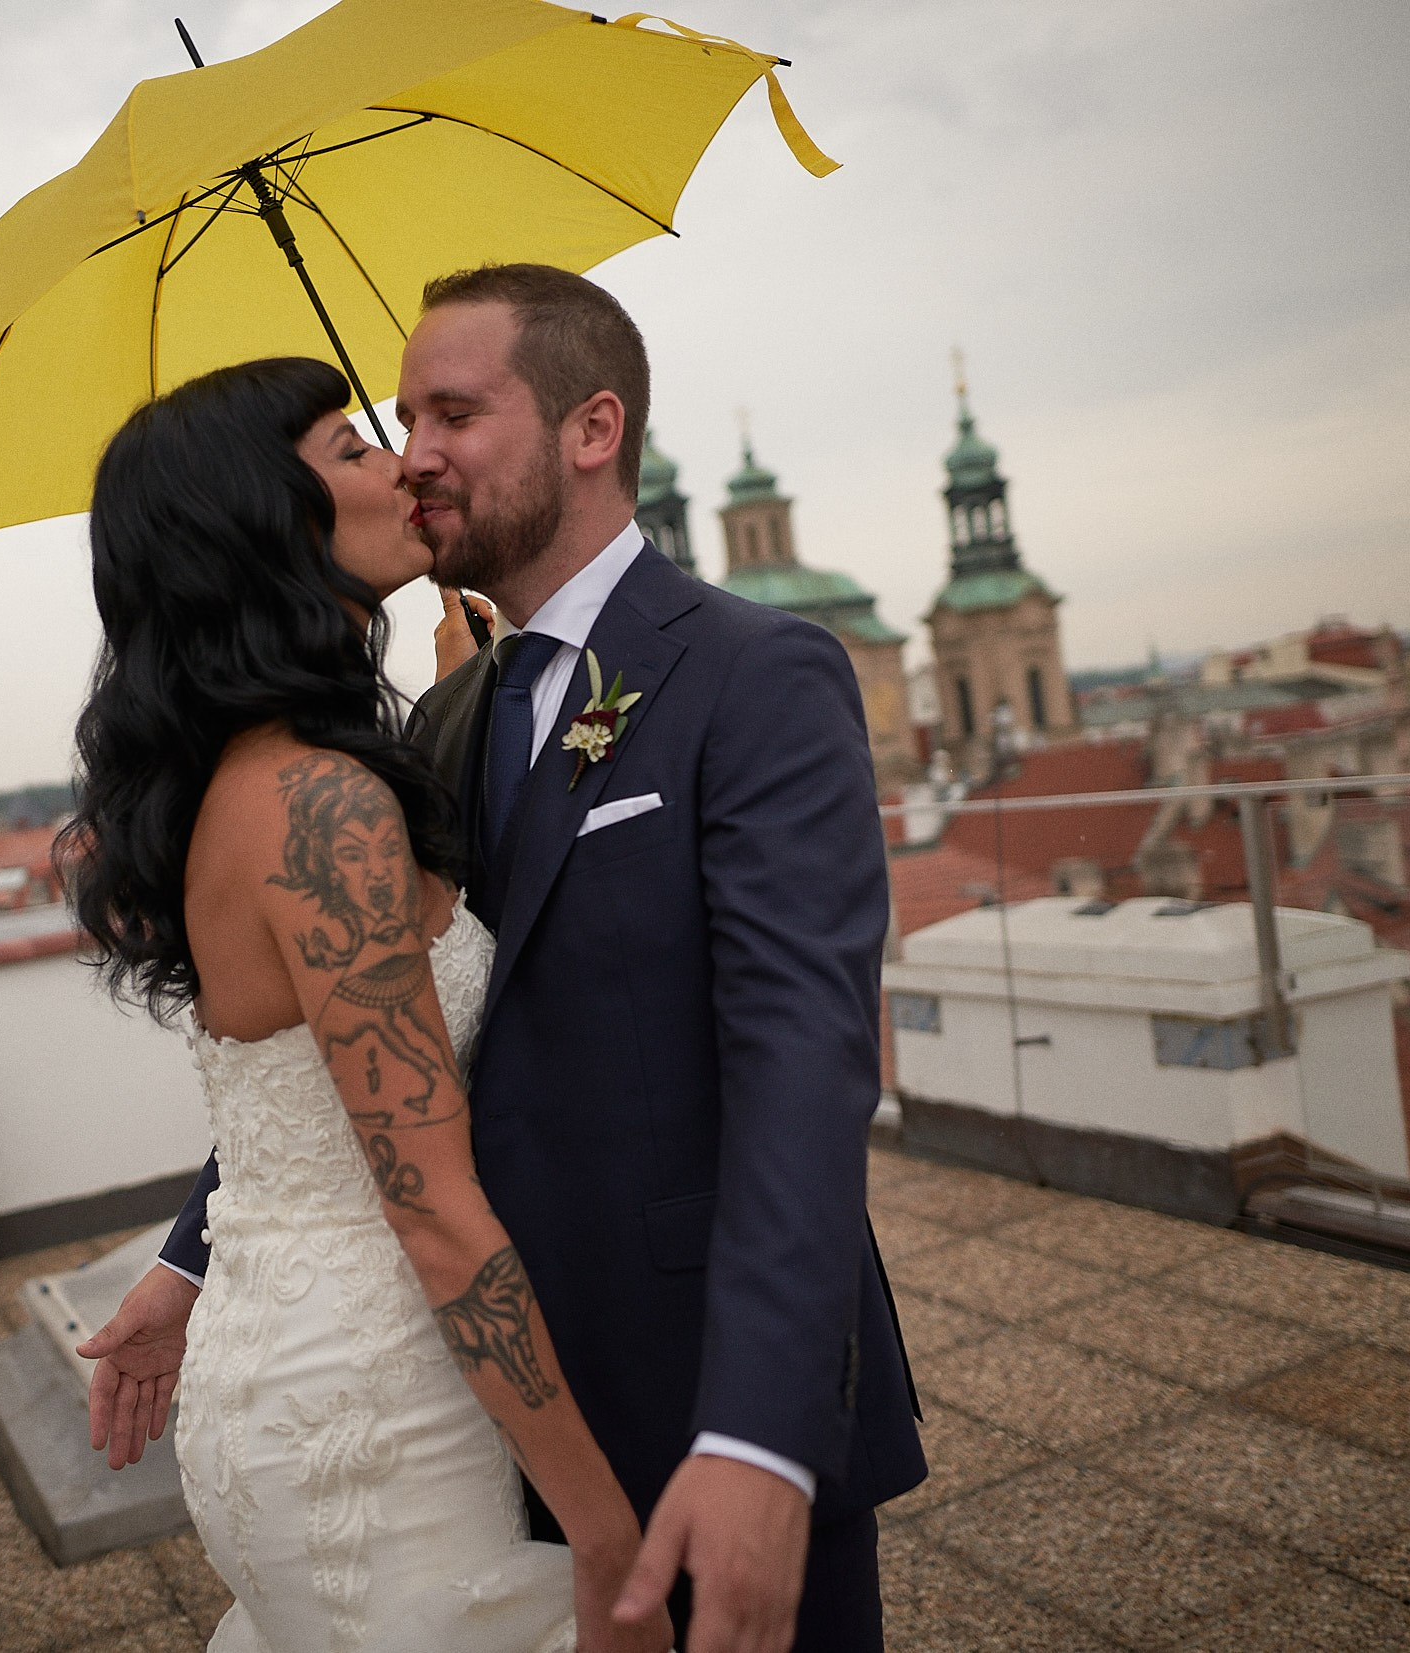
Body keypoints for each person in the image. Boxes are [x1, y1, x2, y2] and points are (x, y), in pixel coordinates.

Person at [84, 265, 926, 1653]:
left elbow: (804, 1074)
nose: (415, 454)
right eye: (396, 422)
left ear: (592, 429)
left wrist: (761, 1434)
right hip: (477, 1406)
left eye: (453, 415)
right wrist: (188, 1259)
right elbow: (364, 1054)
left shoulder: (756, 674)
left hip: (699, 1386)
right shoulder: (441, 722)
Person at [63, 355, 670, 1653]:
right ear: (262, 526)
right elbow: (434, 1210)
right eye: (353, 451)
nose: (404, 463)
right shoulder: (324, 808)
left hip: (277, 1362)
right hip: (374, 1413)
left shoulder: (247, 775)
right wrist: (605, 1536)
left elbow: (294, 1104)